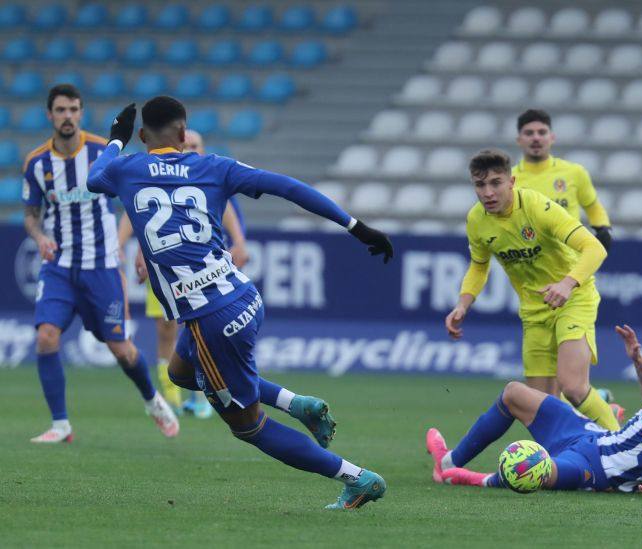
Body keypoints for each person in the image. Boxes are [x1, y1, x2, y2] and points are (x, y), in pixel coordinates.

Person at [87, 97, 393, 509]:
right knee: (180, 372)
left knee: (249, 427)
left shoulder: (126, 168)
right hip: (243, 295)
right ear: (183, 134)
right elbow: (288, 187)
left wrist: (114, 140)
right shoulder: (214, 166)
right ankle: (296, 404)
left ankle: (356, 478)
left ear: (143, 136)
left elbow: (93, 178)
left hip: (211, 320)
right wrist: (355, 226)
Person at [21, 84, 179, 443]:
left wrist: (141, 245)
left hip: (102, 266)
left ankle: (153, 400)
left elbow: (133, 200)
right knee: (46, 338)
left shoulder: (100, 152)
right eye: (60, 110)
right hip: (59, 266)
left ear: (81, 112)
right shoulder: (36, 162)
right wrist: (40, 237)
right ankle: (61, 425)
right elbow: (31, 214)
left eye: (73, 109)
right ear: (50, 115)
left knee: (121, 349)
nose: (67, 116)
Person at [426, 325, 642, 499]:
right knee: (514, 393)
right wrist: (638, 361)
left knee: (529, 469)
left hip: (597, 472)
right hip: (590, 436)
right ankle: (448, 463)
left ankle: (466, 477)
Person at [445, 149, 621, 432]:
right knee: (543, 406)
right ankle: (565, 462)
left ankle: (624, 451)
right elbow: (479, 266)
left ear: (511, 181)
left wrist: (567, 283)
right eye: (480, 185)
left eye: (495, 183)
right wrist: (463, 304)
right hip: (533, 311)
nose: (488, 192)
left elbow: (594, 248)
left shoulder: (538, 207)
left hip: (574, 298)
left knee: (573, 387)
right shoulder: (477, 220)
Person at [117, 129, 246, 418]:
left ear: (203, 148)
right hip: (164, 266)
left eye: (195, 145)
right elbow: (136, 212)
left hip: (203, 272)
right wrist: (130, 246)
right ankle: (169, 387)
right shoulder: (158, 175)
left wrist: (239, 242)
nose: (190, 149)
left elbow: (229, 213)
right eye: (186, 144)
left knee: (200, 330)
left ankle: (201, 394)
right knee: (165, 327)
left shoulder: (210, 177)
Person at [513, 109, 612, 251]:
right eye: (529, 133)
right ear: (519, 140)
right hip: (529, 263)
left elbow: (592, 206)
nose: (536, 138)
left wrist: (602, 228)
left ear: (552, 137)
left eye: (542, 132)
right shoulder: (508, 180)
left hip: (572, 260)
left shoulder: (574, 172)